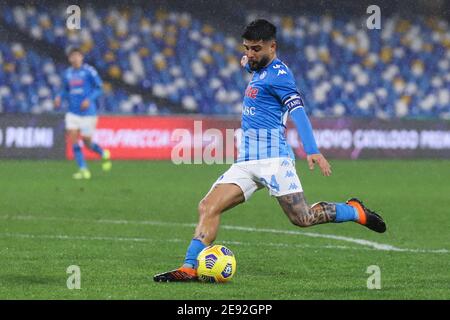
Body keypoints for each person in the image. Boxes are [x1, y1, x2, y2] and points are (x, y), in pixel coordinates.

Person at [154, 19, 386, 282]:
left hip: (275, 160)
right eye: (246, 48)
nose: (249, 54)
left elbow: (298, 111)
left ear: (272, 47)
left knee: (303, 218)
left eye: (255, 49)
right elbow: (258, 77)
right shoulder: (257, 68)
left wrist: (312, 149)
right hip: (246, 161)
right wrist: (248, 63)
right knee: (208, 206)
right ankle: (189, 267)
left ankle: (353, 210)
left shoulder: (281, 76)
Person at [54, 47, 111, 179]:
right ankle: (83, 169)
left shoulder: (89, 71)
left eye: (77, 56)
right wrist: (59, 97)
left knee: (87, 142)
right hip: (73, 113)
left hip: (87, 113)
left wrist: (88, 100)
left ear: (81, 57)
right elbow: (64, 90)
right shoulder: (67, 73)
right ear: (69, 59)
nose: (75, 58)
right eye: (72, 56)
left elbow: (99, 88)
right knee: (73, 139)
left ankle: (103, 153)